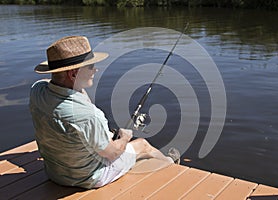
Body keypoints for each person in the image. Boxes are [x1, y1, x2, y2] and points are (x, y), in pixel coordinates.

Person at [29, 35, 180, 189]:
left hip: (55, 173)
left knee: (107, 138)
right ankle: (170, 162)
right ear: (73, 74)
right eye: (90, 66)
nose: (95, 69)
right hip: (89, 177)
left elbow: (58, 87)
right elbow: (112, 154)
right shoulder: (89, 116)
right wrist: (124, 138)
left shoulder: (37, 91)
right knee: (143, 145)